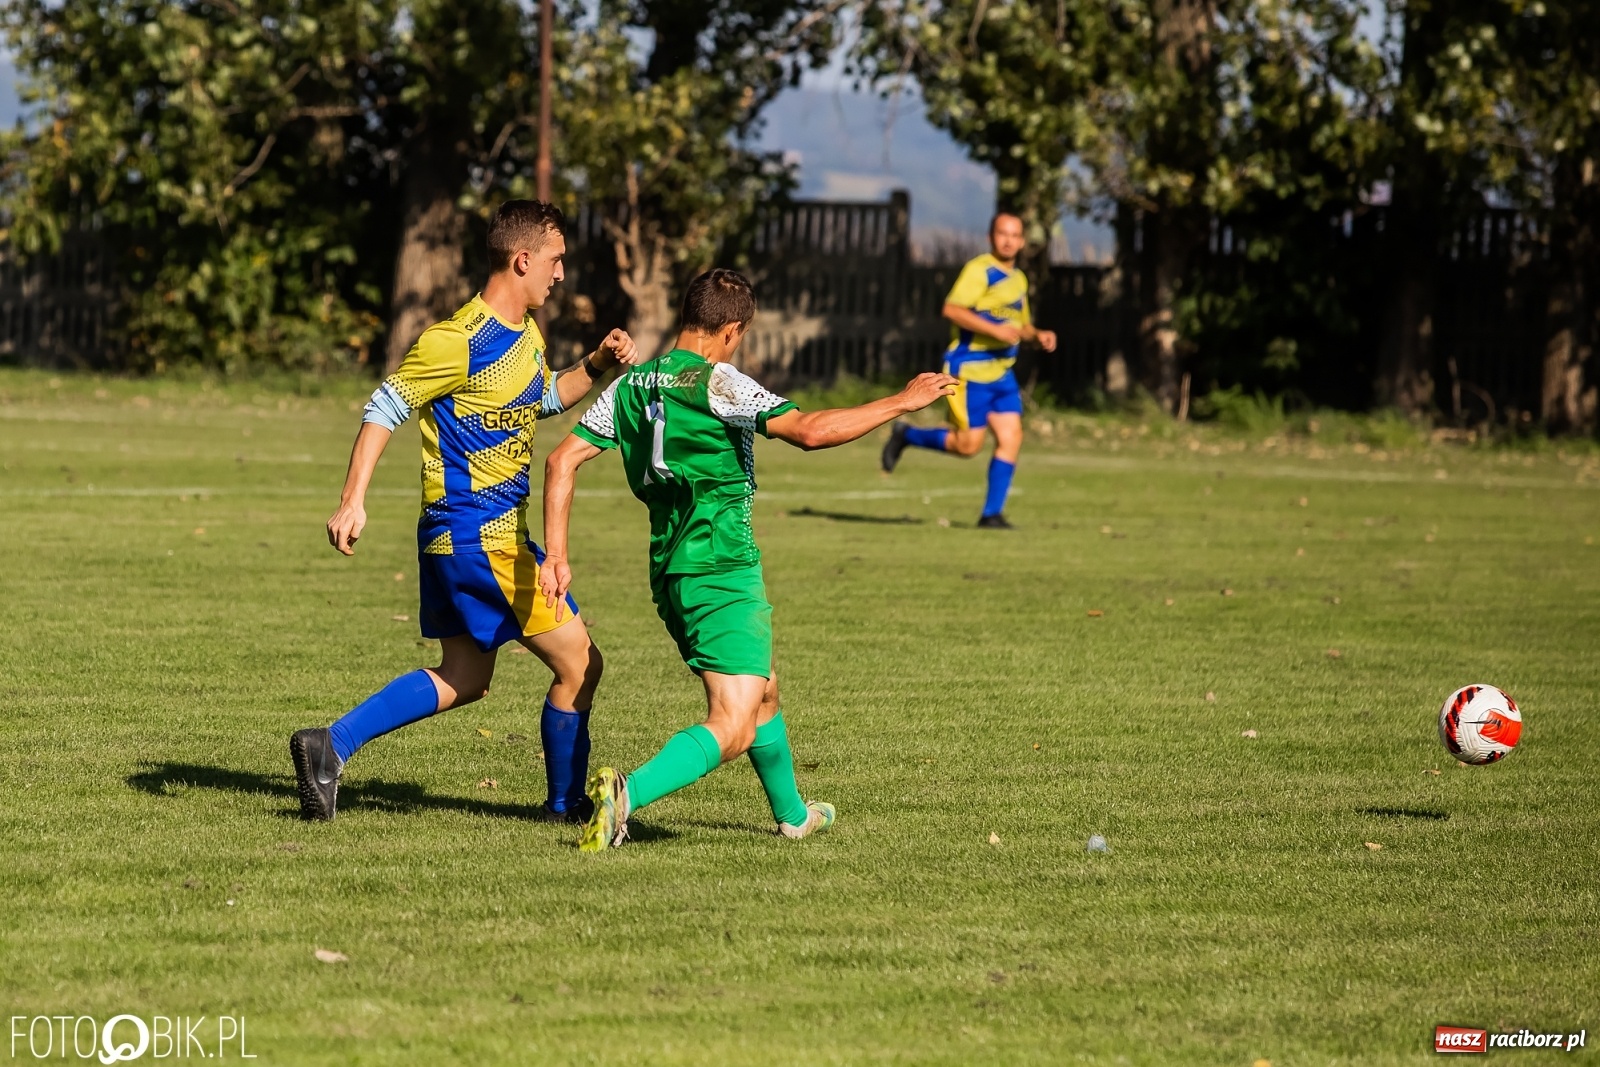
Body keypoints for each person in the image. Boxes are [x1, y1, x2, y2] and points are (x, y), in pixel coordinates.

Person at [540, 268, 958, 851]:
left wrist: (556, 555)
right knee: (733, 722)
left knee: (763, 691)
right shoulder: (720, 384)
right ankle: (626, 795)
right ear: (731, 331)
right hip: (722, 566)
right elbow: (810, 431)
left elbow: (560, 463)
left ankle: (793, 816)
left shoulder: (629, 386)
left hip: (671, 570)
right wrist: (902, 401)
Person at [289, 199, 641, 823]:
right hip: (482, 539)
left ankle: (329, 745)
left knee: (467, 676)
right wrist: (352, 501)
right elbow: (383, 409)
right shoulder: (456, 340)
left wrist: (597, 366)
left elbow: (544, 398)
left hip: (471, 539)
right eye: (555, 262)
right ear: (522, 259)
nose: (561, 275)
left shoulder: (525, 334)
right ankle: (565, 807)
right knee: (580, 663)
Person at [879, 212, 1057, 528]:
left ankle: (991, 514)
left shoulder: (1019, 279)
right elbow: (952, 309)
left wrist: (1037, 335)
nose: (1009, 240)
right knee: (968, 446)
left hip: (1002, 373)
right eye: (1003, 233)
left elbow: (1021, 325)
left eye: (1015, 235)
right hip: (969, 373)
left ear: (1022, 241)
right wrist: (994, 330)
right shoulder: (980, 270)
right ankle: (906, 435)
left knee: (1011, 436)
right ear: (991, 237)